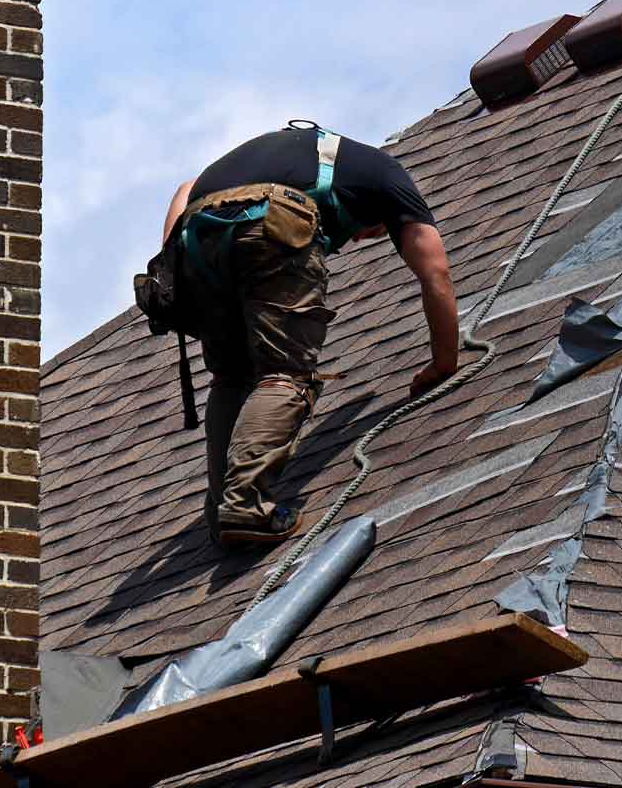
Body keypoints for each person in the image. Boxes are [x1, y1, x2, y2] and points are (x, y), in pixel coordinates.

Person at [159, 122, 458, 547]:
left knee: (233, 379)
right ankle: (243, 506)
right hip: (265, 220)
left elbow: (187, 188)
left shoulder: (295, 154)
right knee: (287, 374)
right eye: (367, 232)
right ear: (381, 215)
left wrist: (172, 263)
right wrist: (444, 362)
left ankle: (221, 514)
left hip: (198, 237)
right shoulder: (389, 177)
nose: (354, 239)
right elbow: (436, 272)